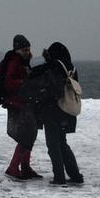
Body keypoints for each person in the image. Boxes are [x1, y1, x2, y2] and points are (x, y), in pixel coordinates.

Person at [30, 42, 84, 186]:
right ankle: (75, 175)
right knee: (62, 143)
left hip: (53, 111)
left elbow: (44, 82)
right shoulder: (72, 68)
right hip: (67, 110)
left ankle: (59, 177)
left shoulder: (54, 66)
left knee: (53, 144)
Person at [0, 33, 42, 180]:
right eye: (25, 50)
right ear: (18, 50)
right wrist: (26, 82)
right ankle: (14, 168)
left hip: (22, 102)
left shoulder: (22, 61)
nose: (28, 52)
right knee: (26, 136)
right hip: (17, 103)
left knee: (28, 135)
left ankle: (24, 167)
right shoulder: (15, 62)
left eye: (29, 49)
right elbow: (9, 83)